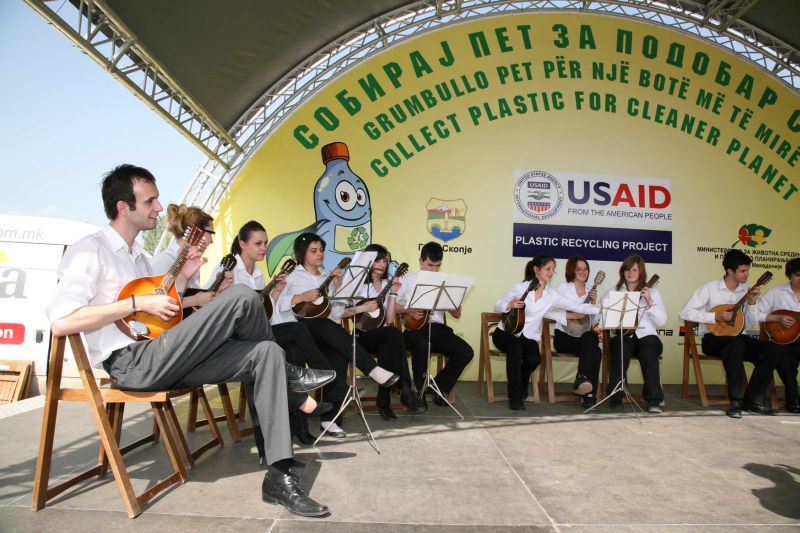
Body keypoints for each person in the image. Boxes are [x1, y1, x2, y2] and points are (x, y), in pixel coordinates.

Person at [45, 164, 334, 517]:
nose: (158, 207)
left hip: (164, 354)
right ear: (123, 206)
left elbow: (161, 316)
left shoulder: (140, 259)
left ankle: (279, 474)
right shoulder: (91, 250)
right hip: (132, 363)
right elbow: (61, 321)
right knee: (243, 296)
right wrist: (135, 303)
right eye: (150, 201)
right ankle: (293, 386)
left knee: (266, 352)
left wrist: (181, 281)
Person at [212, 221, 348, 445]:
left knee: (295, 352)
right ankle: (332, 382)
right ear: (242, 244)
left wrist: (274, 293)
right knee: (297, 329)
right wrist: (219, 290)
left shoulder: (257, 275)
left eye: (265, 243)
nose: (264, 248)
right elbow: (209, 303)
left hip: (257, 332)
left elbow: (266, 312)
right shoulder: (227, 270)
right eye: (258, 243)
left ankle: (300, 430)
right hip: (236, 339)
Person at [276, 232, 400, 438]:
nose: (320, 254)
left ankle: (330, 420)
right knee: (325, 326)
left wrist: (338, 288)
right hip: (299, 333)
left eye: (321, 250)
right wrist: (301, 296)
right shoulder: (292, 276)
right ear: (302, 253)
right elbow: (277, 305)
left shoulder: (326, 276)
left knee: (338, 354)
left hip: (322, 334)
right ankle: (372, 369)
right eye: (314, 251)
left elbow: (336, 313)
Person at [680, 249, 780, 418]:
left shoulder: (747, 290)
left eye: (748, 270)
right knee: (735, 344)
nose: (747, 274)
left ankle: (752, 400)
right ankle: (735, 401)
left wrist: (752, 303)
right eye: (743, 271)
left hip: (739, 338)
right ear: (729, 271)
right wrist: (714, 316)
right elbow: (685, 312)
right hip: (713, 339)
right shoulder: (710, 288)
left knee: (772, 349)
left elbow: (751, 324)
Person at [494, 255, 599, 410]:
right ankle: (515, 396)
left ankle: (522, 382)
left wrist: (602, 309)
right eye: (548, 269)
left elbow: (576, 307)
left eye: (553, 270)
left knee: (534, 359)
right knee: (515, 349)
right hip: (505, 332)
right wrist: (509, 304)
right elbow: (497, 305)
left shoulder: (552, 294)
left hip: (528, 336)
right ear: (537, 270)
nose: (551, 273)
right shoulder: (521, 287)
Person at [339, 244, 426, 419]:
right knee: (393, 334)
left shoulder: (387, 284)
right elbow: (340, 312)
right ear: (367, 261)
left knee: (388, 344)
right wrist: (362, 307)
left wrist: (393, 294)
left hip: (384, 336)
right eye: (377, 260)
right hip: (361, 336)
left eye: (385, 261)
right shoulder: (356, 284)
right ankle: (406, 390)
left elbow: (389, 319)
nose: (381, 264)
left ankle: (384, 403)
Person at [396, 241, 474, 408]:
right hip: (414, 329)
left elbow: (457, 315)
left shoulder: (445, 282)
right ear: (420, 261)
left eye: (437, 266)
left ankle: (437, 387)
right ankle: (419, 391)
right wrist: (408, 309)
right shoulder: (407, 281)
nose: (434, 270)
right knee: (422, 344)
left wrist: (453, 300)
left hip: (438, 329)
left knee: (466, 352)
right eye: (430, 265)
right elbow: (391, 307)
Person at [602, 255, 667, 413]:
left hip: (647, 335)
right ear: (622, 272)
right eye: (627, 269)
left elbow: (662, 321)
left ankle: (653, 400)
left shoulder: (652, 292)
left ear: (641, 272)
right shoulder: (614, 292)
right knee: (621, 345)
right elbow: (602, 315)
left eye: (634, 270)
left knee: (649, 349)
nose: (630, 273)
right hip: (624, 335)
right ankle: (616, 395)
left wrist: (649, 301)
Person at [151, 203, 232, 310]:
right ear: (196, 231)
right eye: (211, 233)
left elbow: (193, 302)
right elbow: (153, 304)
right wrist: (195, 300)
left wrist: (216, 288)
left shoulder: (192, 260)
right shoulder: (164, 261)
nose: (211, 241)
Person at [553, 256, 603, 409]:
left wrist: (593, 304)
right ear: (571, 271)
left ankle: (583, 380)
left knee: (592, 338)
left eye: (585, 268)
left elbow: (593, 323)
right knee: (594, 351)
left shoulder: (590, 291)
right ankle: (589, 395)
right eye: (578, 269)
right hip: (564, 337)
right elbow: (553, 310)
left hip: (584, 339)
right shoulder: (564, 288)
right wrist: (576, 313)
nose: (582, 271)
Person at [758, 257, 800, 413]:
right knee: (784, 358)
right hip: (782, 341)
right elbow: (756, 313)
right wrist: (778, 318)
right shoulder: (776, 292)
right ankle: (793, 399)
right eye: (798, 275)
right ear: (789, 275)